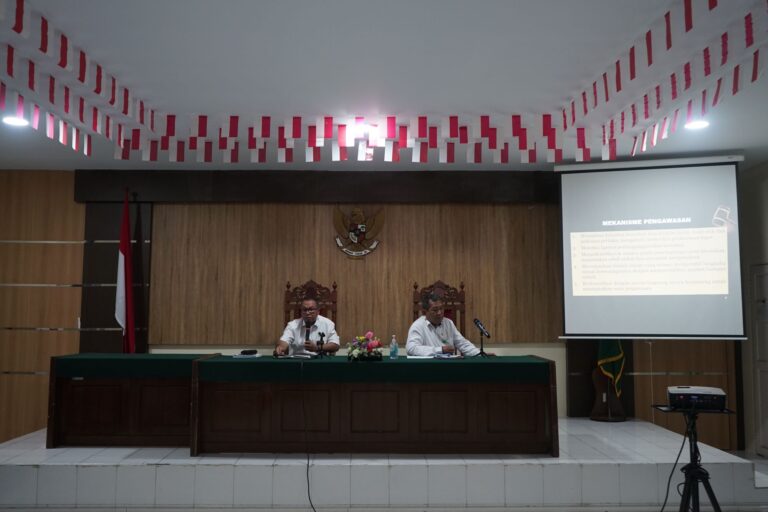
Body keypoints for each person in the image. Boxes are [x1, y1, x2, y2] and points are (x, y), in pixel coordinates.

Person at [406, 293, 483, 357]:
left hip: (449, 366)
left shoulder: (448, 323)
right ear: (424, 311)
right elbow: (411, 349)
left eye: (441, 308)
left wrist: (479, 354)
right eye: (435, 310)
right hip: (429, 367)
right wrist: (440, 350)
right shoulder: (418, 325)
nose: (439, 313)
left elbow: (462, 343)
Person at [274, 298, 340, 356]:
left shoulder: (328, 324)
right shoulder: (293, 325)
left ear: (318, 311)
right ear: (301, 312)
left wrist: (317, 347)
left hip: (319, 360)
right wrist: (280, 348)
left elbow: (335, 345)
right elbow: (284, 341)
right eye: (305, 310)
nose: (307, 313)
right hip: (297, 360)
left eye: (311, 309)